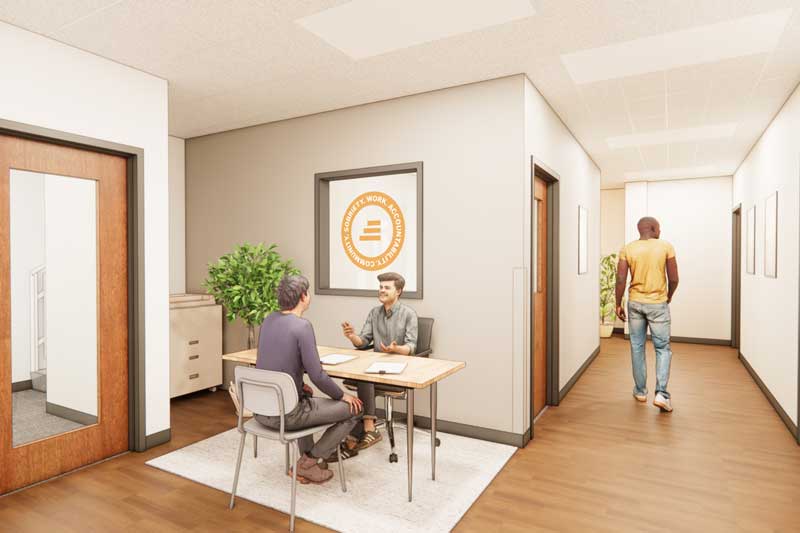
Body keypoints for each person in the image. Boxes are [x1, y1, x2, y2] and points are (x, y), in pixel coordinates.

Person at [255, 274, 363, 483]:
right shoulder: (302, 326)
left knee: (304, 397)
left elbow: (274, 364)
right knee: (355, 410)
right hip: (286, 414)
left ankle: (309, 461)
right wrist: (343, 395)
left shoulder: (268, 320)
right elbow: (318, 375)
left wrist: (299, 385)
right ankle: (309, 462)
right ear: (304, 296)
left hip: (262, 410)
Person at [341, 272, 418, 450]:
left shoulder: (409, 314)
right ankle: (363, 429)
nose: (382, 290)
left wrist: (395, 349)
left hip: (400, 368)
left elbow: (411, 347)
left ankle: (364, 428)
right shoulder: (374, 313)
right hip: (374, 369)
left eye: (387, 287)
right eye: (381, 287)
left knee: (365, 376)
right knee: (363, 375)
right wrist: (352, 336)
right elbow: (363, 342)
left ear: (398, 291)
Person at [615, 217, 679, 412]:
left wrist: (618, 303)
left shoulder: (628, 248)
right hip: (657, 303)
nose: (660, 230)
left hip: (635, 303)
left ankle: (641, 391)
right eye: (659, 227)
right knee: (662, 348)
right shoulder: (666, 246)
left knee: (637, 347)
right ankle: (661, 394)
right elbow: (674, 278)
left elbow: (620, 278)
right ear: (652, 228)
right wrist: (668, 296)